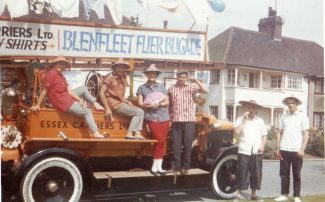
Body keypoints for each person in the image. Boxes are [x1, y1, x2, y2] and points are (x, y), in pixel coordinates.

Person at [30, 56, 105, 138]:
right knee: (87, 111)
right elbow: (45, 90)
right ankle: (95, 132)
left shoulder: (61, 76)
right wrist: (37, 104)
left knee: (83, 88)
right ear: (54, 64)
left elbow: (69, 91)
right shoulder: (51, 74)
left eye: (63, 65)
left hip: (65, 96)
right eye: (59, 64)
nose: (61, 66)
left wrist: (79, 99)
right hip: (61, 101)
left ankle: (95, 103)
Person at [168, 71, 208, 174]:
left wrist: (196, 80)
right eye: (179, 77)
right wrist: (169, 118)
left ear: (186, 78)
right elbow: (170, 105)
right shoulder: (171, 88)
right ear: (177, 78)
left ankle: (185, 167)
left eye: (183, 77)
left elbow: (206, 90)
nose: (181, 79)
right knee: (175, 145)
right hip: (176, 120)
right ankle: (175, 167)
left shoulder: (192, 87)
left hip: (189, 120)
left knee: (187, 145)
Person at [99, 58, 145, 140]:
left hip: (119, 103)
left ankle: (137, 133)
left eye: (123, 67)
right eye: (119, 67)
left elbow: (120, 97)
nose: (121, 69)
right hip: (113, 104)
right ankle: (130, 133)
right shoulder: (110, 77)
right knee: (139, 112)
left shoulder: (122, 79)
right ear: (115, 68)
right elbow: (101, 93)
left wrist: (127, 101)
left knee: (139, 110)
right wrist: (107, 109)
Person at [137, 64, 170, 176]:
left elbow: (166, 102)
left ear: (156, 75)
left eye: (154, 73)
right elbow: (140, 103)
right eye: (150, 73)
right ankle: (154, 167)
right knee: (160, 140)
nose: (152, 75)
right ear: (147, 75)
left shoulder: (162, 87)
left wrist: (159, 104)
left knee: (162, 141)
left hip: (164, 117)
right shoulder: (142, 88)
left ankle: (159, 167)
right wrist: (150, 106)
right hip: (151, 117)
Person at [274, 96, 309, 202]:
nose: (290, 105)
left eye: (292, 103)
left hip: (296, 150)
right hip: (284, 149)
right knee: (284, 174)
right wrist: (278, 148)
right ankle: (284, 195)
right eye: (288, 103)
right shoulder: (284, 117)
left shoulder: (303, 117)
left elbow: (306, 135)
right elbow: (279, 133)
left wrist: (302, 149)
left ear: (297, 104)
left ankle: (296, 196)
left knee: (297, 174)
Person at [234, 100, 267, 201]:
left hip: (257, 150)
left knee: (256, 173)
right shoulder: (240, 119)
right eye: (247, 107)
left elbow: (264, 135)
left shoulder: (260, 121)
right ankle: (238, 194)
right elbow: (237, 132)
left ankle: (253, 195)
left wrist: (262, 146)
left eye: (252, 107)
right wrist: (245, 119)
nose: (249, 109)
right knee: (242, 172)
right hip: (244, 149)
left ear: (256, 109)